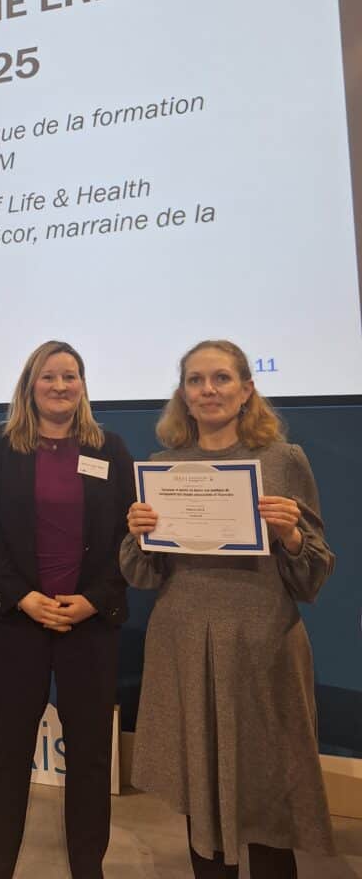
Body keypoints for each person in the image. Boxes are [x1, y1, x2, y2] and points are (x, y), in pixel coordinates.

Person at [120, 339, 335, 879]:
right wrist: (138, 536)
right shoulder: (163, 468)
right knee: (201, 792)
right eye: (195, 380)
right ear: (183, 395)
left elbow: (313, 573)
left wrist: (290, 536)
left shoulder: (283, 461)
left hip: (263, 644)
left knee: (268, 793)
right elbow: (141, 575)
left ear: (246, 389)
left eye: (221, 378)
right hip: (183, 642)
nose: (208, 390)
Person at [0, 340, 134, 879]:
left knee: (90, 756)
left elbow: (130, 537)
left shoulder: (110, 448)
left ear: (83, 385)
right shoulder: (0, 446)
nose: (61, 385)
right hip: (20, 621)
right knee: (7, 754)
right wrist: (23, 596)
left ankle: (88, 867)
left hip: (89, 623)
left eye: (71, 376)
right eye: (49, 376)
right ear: (29, 385)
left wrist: (93, 600)